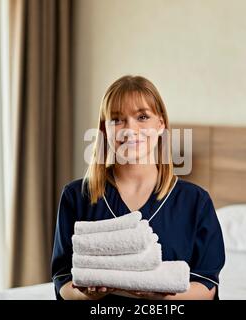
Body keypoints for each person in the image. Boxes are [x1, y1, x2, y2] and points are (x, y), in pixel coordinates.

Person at [51, 75, 225, 300]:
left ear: (160, 123)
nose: (129, 129)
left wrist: (157, 297)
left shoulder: (195, 202)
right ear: (105, 129)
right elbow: (63, 279)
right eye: (117, 120)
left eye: (142, 117)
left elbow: (206, 285)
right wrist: (89, 296)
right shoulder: (76, 197)